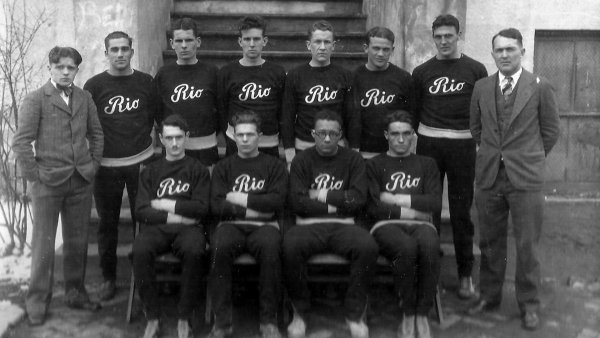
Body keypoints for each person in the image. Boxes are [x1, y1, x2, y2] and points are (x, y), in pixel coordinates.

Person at [468, 28, 560, 331]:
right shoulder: (482, 86)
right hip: (490, 176)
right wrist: (495, 155)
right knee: (490, 241)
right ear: (492, 54)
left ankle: (529, 305)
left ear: (522, 51)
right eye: (499, 50)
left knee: (527, 246)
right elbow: (476, 128)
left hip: (526, 180)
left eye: (510, 49)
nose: (504, 55)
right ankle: (489, 296)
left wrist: (527, 158)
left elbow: (550, 132)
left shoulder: (539, 86)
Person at [12, 46, 104, 325]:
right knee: (44, 244)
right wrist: (35, 177)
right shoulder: (36, 99)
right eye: (60, 67)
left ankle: (76, 293)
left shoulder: (85, 97)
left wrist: (93, 165)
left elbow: (96, 133)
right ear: (50, 68)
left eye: (71, 68)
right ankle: (38, 301)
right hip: (47, 183)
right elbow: (21, 142)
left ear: (77, 70)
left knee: (77, 242)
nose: (66, 72)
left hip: (80, 182)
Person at [283, 110, 378, 338]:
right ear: (313, 134)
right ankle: (300, 312)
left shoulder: (353, 160)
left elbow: (358, 199)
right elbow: (297, 202)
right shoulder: (301, 159)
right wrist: (339, 201)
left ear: (341, 135)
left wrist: (320, 194)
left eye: (332, 134)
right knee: (289, 247)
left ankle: (354, 314)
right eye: (322, 133)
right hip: (308, 225)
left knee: (367, 247)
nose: (327, 138)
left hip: (344, 225)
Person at [412, 14, 488, 299]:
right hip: (429, 146)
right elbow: (414, 111)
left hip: (462, 148)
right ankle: (428, 275)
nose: (444, 41)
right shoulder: (421, 72)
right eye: (439, 36)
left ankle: (465, 275)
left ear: (459, 35)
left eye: (449, 36)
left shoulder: (475, 69)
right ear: (433, 38)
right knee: (428, 210)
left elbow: (482, 111)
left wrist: (477, 142)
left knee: (460, 213)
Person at [84, 31, 157, 301]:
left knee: (145, 221)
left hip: (140, 161)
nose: (119, 54)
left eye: (124, 49)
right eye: (113, 50)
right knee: (108, 223)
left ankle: (145, 278)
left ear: (132, 51)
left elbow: (153, 116)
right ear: (106, 53)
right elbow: (88, 125)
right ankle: (108, 278)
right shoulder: (94, 85)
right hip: (106, 164)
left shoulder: (145, 82)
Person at [208, 110, 288, 338]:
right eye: (240, 135)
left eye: (250, 135)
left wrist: (240, 198)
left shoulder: (274, 166)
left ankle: (268, 321)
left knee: (272, 249)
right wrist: (258, 208)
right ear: (233, 136)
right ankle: (222, 323)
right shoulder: (224, 167)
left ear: (259, 136)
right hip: (231, 226)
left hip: (265, 228)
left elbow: (277, 201)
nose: (244, 140)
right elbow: (216, 205)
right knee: (218, 248)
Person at [132, 114, 210, 338]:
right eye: (169, 138)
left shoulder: (198, 170)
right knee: (140, 250)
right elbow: (141, 211)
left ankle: (184, 317)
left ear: (186, 137)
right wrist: (177, 217)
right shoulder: (150, 171)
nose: (174, 143)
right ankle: (153, 317)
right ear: (161, 139)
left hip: (190, 231)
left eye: (178, 137)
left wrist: (166, 204)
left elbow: (202, 209)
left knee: (195, 251)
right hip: (159, 229)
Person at [366, 111, 441, 338]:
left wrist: (397, 198)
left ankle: (422, 313)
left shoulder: (426, 164)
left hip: (423, 227)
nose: (401, 139)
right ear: (386, 135)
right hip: (385, 225)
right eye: (395, 134)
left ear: (413, 136)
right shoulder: (375, 164)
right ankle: (408, 312)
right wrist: (416, 211)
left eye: (406, 134)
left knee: (429, 246)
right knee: (405, 248)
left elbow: (435, 202)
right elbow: (374, 206)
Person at [281, 20, 353, 166]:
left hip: (336, 147)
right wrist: (289, 153)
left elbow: (351, 116)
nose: (322, 47)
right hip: (303, 147)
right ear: (309, 45)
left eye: (327, 42)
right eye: (317, 42)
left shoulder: (345, 75)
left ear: (333, 46)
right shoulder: (295, 75)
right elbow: (287, 116)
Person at [153, 17, 220, 167]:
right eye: (178, 41)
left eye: (189, 40)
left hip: (205, 147)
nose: (184, 46)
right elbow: (157, 110)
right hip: (174, 148)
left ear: (198, 42)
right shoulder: (163, 74)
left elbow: (221, 108)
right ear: (171, 44)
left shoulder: (212, 72)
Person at [217, 15, 286, 158]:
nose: (252, 44)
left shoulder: (277, 72)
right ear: (240, 41)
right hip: (236, 144)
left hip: (269, 144)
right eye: (247, 39)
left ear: (264, 41)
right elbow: (222, 109)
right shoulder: (227, 72)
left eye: (256, 39)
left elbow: (283, 110)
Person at [348, 27, 415, 158]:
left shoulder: (404, 78)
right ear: (366, 48)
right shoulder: (353, 78)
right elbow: (350, 117)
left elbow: (411, 114)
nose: (380, 53)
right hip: (362, 153)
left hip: (394, 153)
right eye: (376, 48)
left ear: (392, 50)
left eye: (386, 49)